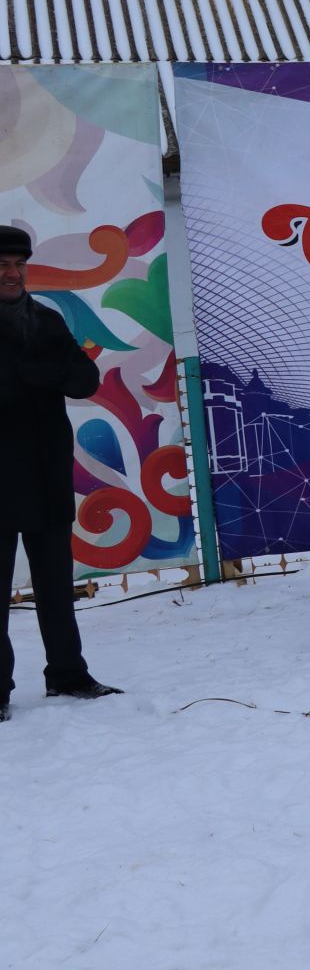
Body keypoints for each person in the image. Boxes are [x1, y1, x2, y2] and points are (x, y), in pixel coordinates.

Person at [0, 225, 119, 720]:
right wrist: (37, 375)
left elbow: (85, 379)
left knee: (56, 584)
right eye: (2, 266)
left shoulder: (46, 320)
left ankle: (67, 674)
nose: (12, 274)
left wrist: (50, 373)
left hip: (47, 471)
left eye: (18, 265)